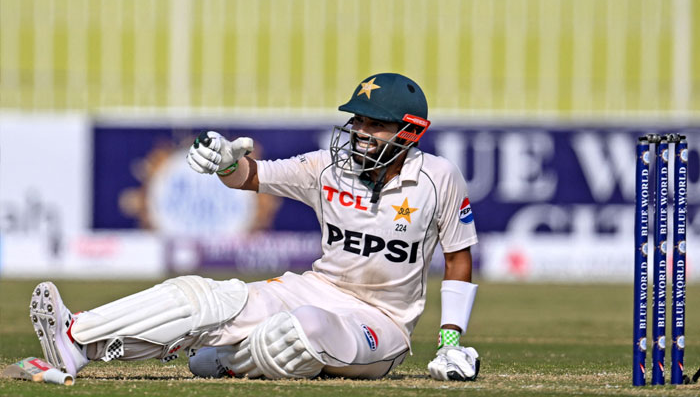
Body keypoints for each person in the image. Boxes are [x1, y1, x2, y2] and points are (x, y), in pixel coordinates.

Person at [29, 73, 480, 381]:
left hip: (383, 323)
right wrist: (226, 161)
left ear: (409, 131)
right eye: (357, 121)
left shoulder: (438, 178)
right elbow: (253, 176)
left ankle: (228, 358)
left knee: (300, 331)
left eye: (374, 125)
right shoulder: (325, 167)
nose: (359, 133)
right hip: (315, 288)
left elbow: (458, 257)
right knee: (206, 298)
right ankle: (78, 339)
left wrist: (448, 342)